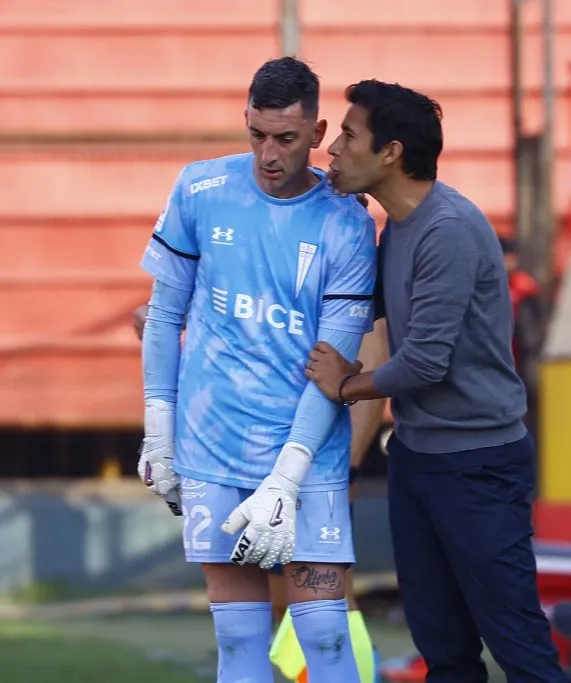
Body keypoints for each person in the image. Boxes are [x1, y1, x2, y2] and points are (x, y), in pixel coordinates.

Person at [303, 79, 564, 683]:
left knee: (518, 645)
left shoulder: (447, 228)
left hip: (477, 464)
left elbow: (424, 363)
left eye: (348, 135)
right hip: (418, 461)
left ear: (391, 152)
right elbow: (350, 312)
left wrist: (347, 387)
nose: (332, 149)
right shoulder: (395, 226)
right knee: (442, 649)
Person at [136, 57, 376, 682]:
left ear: (318, 133)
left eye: (287, 139)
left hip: (303, 455)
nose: (269, 154)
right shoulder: (199, 189)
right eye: (257, 135)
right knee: (239, 638)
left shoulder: (347, 222)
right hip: (210, 445)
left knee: (324, 637)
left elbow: (335, 366)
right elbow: (163, 317)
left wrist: (286, 483)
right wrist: (159, 433)